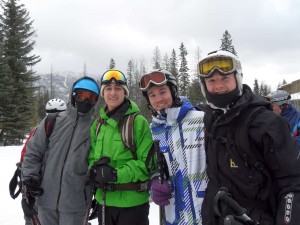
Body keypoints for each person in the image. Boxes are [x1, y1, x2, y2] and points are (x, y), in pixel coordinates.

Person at [197, 50, 300, 224]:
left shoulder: (266, 122)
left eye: (225, 79)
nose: (218, 86)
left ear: (237, 79)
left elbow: (292, 182)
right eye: (211, 81)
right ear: (204, 85)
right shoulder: (211, 119)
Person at [22, 76, 100, 225]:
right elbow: (33, 152)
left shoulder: (96, 128)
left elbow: (96, 162)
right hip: (45, 199)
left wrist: (97, 194)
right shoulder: (53, 121)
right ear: (73, 96)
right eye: (81, 95)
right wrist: (30, 178)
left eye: (90, 97)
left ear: (95, 101)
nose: (85, 101)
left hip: (76, 204)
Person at [139, 69, 207, 224]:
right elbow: (152, 169)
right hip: (173, 218)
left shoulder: (200, 120)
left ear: (173, 91)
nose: (158, 99)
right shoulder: (152, 132)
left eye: (162, 92)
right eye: (152, 95)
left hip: (207, 214)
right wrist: (154, 182)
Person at [88, 69, 154, 225]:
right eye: (108, 89)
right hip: (104, 202)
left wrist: (115, 174)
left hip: (132, 204)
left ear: (125, 92)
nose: (113, 93)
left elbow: (148, 164)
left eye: (118, 89)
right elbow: (91, 156)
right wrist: (94, 170)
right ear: (103, 93)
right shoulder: (98, 124)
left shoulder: (137, 122)